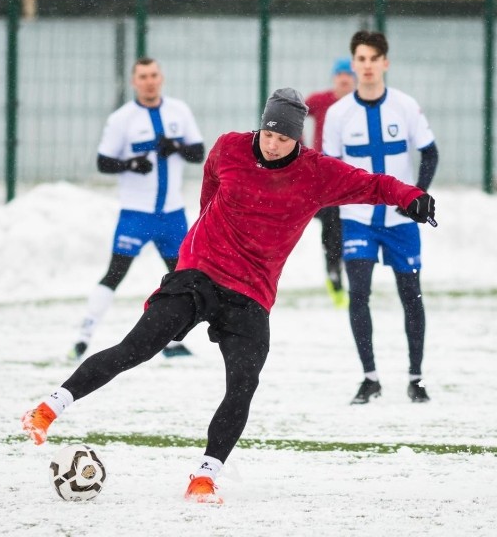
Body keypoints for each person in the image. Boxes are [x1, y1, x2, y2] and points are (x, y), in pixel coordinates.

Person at [22, 87, 437, 504]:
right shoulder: (229, 147)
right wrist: (199, 240)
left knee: (243, 384)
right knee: (137, 347)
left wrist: (412, 197)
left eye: (283, 138)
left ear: (298, 139)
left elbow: (374, 184)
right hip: (199, 273)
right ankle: (49, 408)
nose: (272, 144)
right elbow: (210, 186)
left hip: (252, 293)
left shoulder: (318, 173)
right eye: (268, 134)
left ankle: (205, 475)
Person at [322, 30, 439, 405]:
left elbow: (430, 153)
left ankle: (416, 378)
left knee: (411, 295)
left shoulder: (405, 106)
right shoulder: (338, 114)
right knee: (359, 294)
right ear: (353, 63)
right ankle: (369, 378)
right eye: (361, 59)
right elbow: (331, 168)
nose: (368, 66)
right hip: (357, 218)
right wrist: (337, 209)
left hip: (400, 220)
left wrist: (416, 196)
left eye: (374, 58)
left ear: (385, 63)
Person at [70, 57, 205, 361]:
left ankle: (171, 341)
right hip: (135, 214)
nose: (149, 81)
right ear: (134, 82)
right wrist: (130, 163)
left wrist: (177, 147)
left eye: (154, 75)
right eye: (143, 76)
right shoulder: (122, 119)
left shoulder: (179, 111)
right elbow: (103, 162)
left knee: (181, 279)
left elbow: (198, 153)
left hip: (172, 214)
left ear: (162, 78)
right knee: (115, 273)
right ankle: (83, 337)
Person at [305, 57, 357, 308]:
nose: (344, 78)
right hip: (325, 178)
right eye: (340, 74)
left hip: (354, 177)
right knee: (332, 229)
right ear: (334, 78)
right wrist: (300, 147)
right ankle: (334, 273)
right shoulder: (321, 101)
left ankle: (354, 273)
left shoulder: (360, 104)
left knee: (353, 228)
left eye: (349, 74)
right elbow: (295, 113)